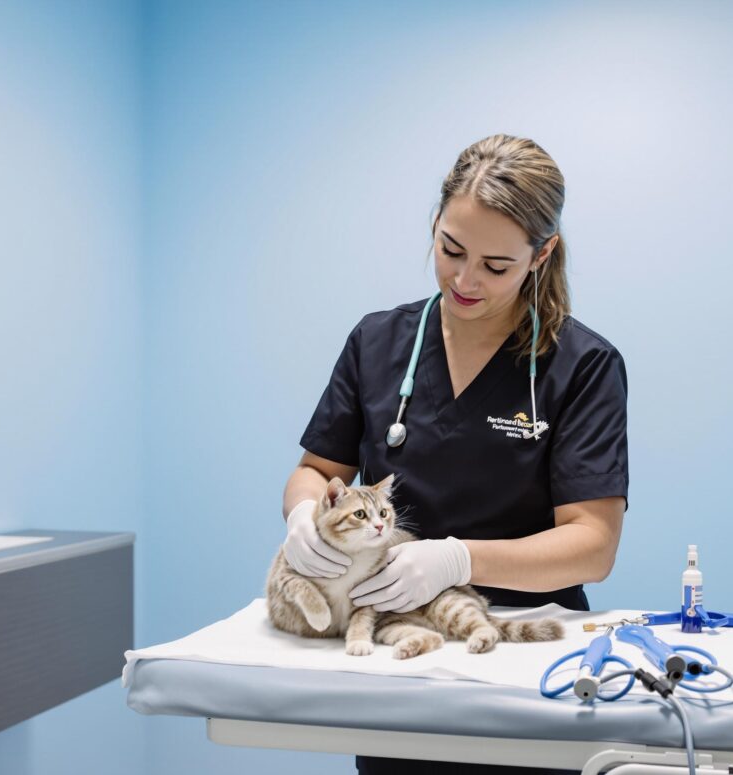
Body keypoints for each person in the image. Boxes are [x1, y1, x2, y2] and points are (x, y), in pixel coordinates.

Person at [281, 134, 629, 775]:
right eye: (450, 249)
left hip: (523, 652)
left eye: (497, 266)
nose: (466, 281)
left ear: (542, 254)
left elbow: (593, 545)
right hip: (395, 640)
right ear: (436, 226)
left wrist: (455, 559)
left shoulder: (582, 366)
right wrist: (303, 518)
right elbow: (317, 470)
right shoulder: (377, 341)